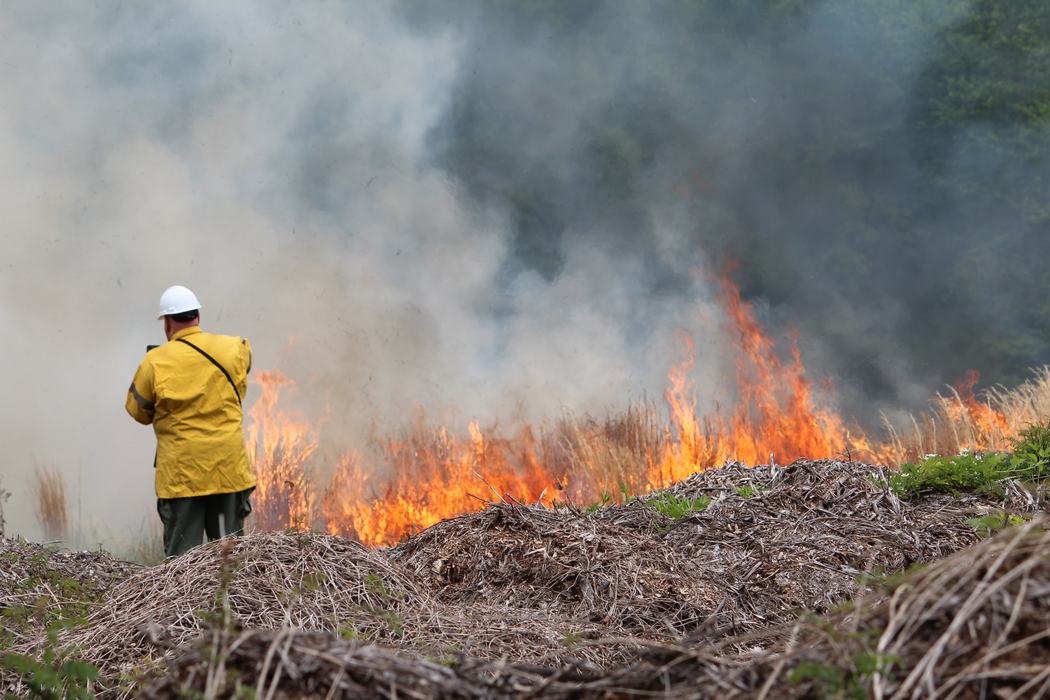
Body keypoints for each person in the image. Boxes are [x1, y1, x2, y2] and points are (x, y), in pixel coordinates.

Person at [125, 285, 256, 557]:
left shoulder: (155, 361)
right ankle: (232, 600)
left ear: (167, 323)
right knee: (231, 558)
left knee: (183, 565)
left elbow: (137, 411)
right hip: (228, 470)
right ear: (197, 315)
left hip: (182, 477)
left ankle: (187, 602)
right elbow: (243, 373)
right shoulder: (234, 347)